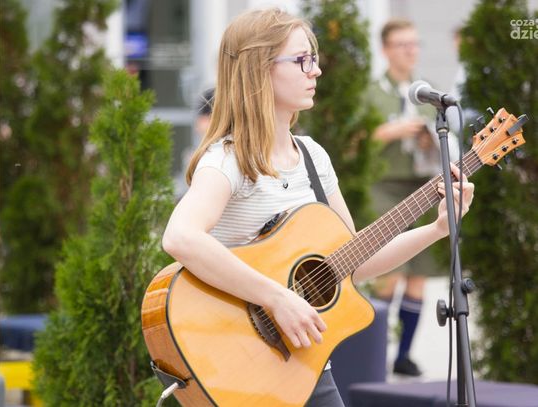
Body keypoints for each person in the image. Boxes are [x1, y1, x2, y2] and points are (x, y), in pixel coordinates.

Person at [162, 8, 474, 405]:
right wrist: (277, 297)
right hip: (240, 369)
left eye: (314, 58)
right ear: (260, 70)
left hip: (307, 366)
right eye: (302, 60)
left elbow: (354, 261)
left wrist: (436, 229)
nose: (316, 71)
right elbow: (180, 237)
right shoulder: (228, 159)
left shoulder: (313, 157)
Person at [366, 18, 455, 377]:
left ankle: (403, 355)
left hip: (422, 185)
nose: (410, 51)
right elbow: (356, 140)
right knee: (388, 273)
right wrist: (391, 131)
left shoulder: (427, 91)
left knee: (419, 275)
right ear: (386, 49)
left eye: (414, 44)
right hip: (385, 185)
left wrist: (425, 136)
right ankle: (375, 352)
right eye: (402, 44)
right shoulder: (371, 92)